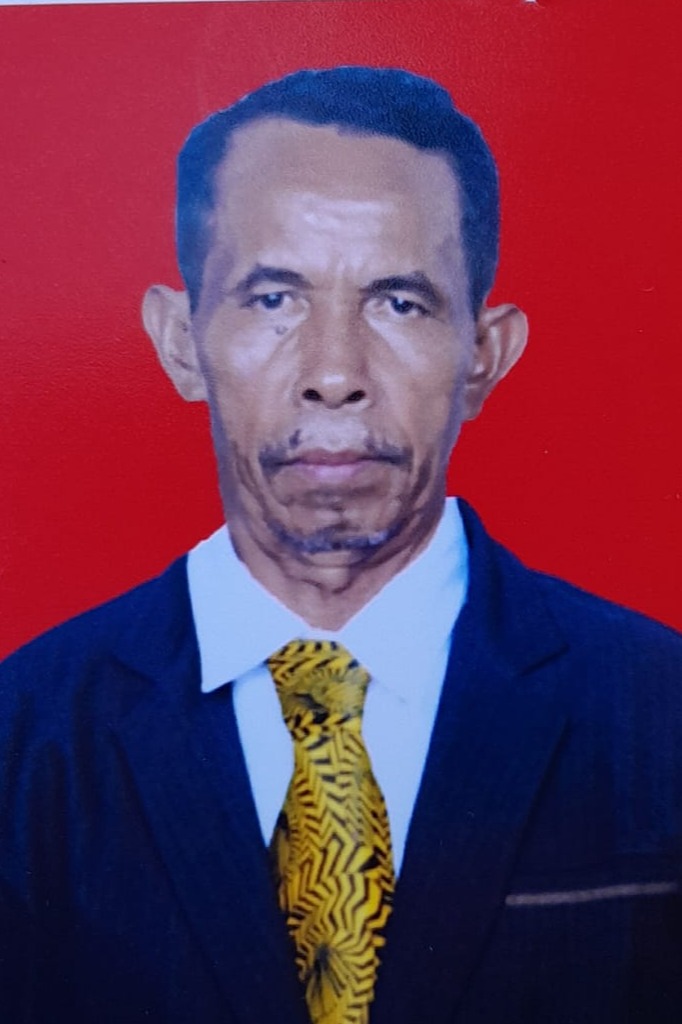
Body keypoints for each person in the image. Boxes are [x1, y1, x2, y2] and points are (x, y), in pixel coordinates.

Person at [1, 66, 680, 1024]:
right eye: (273, 298)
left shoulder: (661, 711)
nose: (333, 372)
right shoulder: (22, 738)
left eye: (398, 302)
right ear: (182, 341)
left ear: (483, 355)